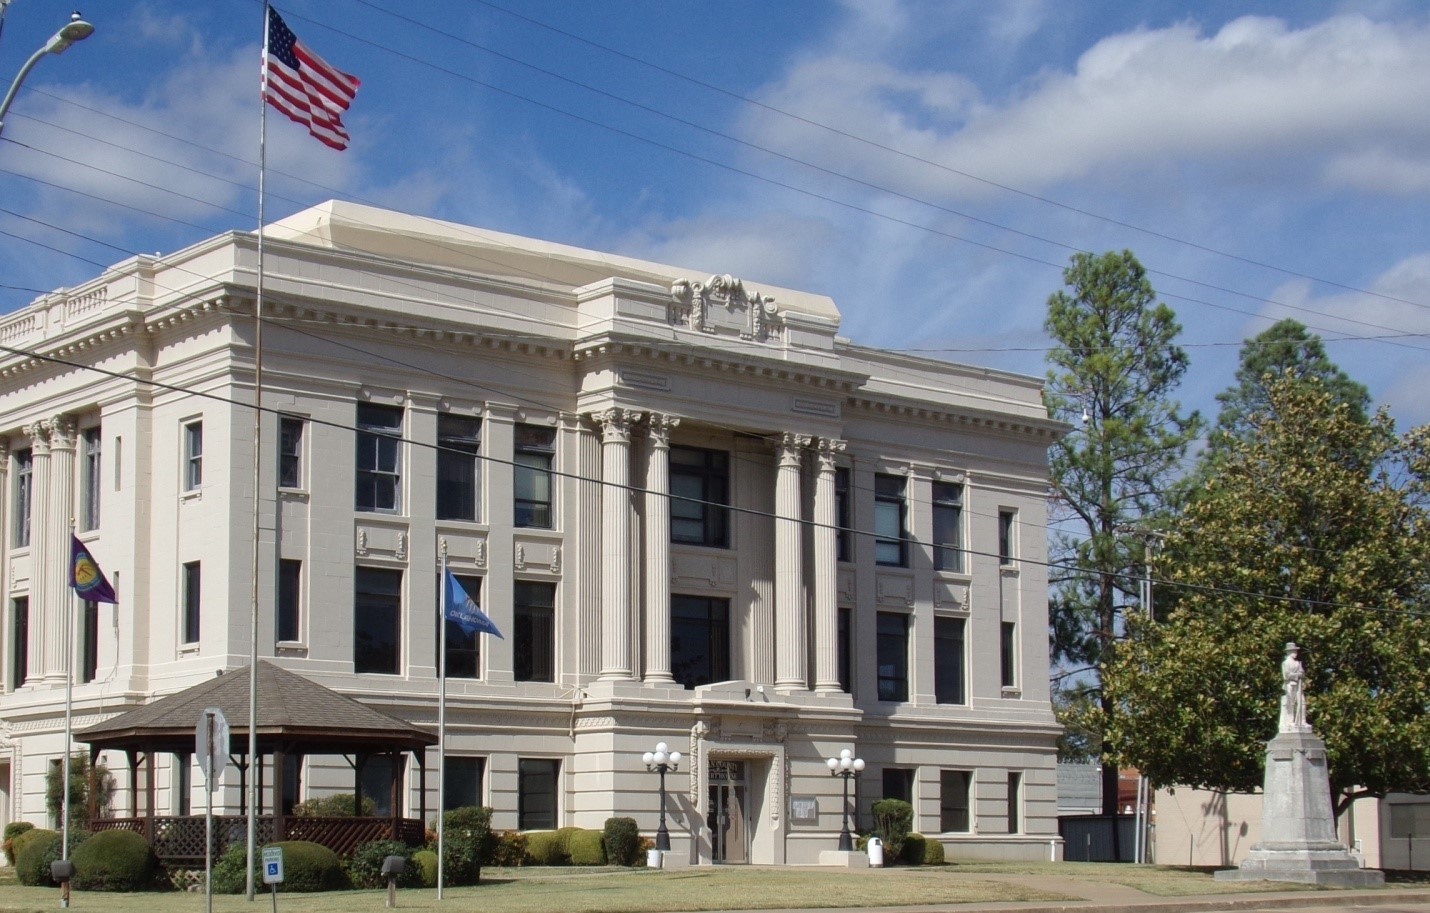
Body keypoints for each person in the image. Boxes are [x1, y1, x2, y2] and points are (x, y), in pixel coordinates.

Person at [1279, 642, 1308, 732]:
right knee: (1290, 703)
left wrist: (1301, 674)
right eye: (1293, 651)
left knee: (1302, 702)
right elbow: (1286, 676)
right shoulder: (1285, 663)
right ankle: (1290, 721)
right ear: (1288, 652)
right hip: (1290, 685)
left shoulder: (1298, 663)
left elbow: (1302, 673)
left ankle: (1302, 721)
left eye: (1295, 651)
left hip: (1298, 685)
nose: (1295, 653)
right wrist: (1297, 675)